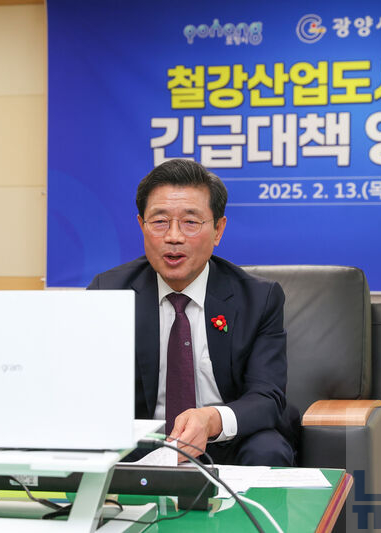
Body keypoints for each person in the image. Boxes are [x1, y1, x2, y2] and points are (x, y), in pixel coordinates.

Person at [88, 159, 296, 466]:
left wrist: (211, 420)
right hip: (144, 442)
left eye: (190, 222)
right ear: (142, 226)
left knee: (268, 450)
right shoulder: (109, 292)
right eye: (160, 221)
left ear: (218, 230)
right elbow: (88, 389)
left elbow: (267, 397)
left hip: (226, 439)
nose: (174, 236)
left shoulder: (257, 299)